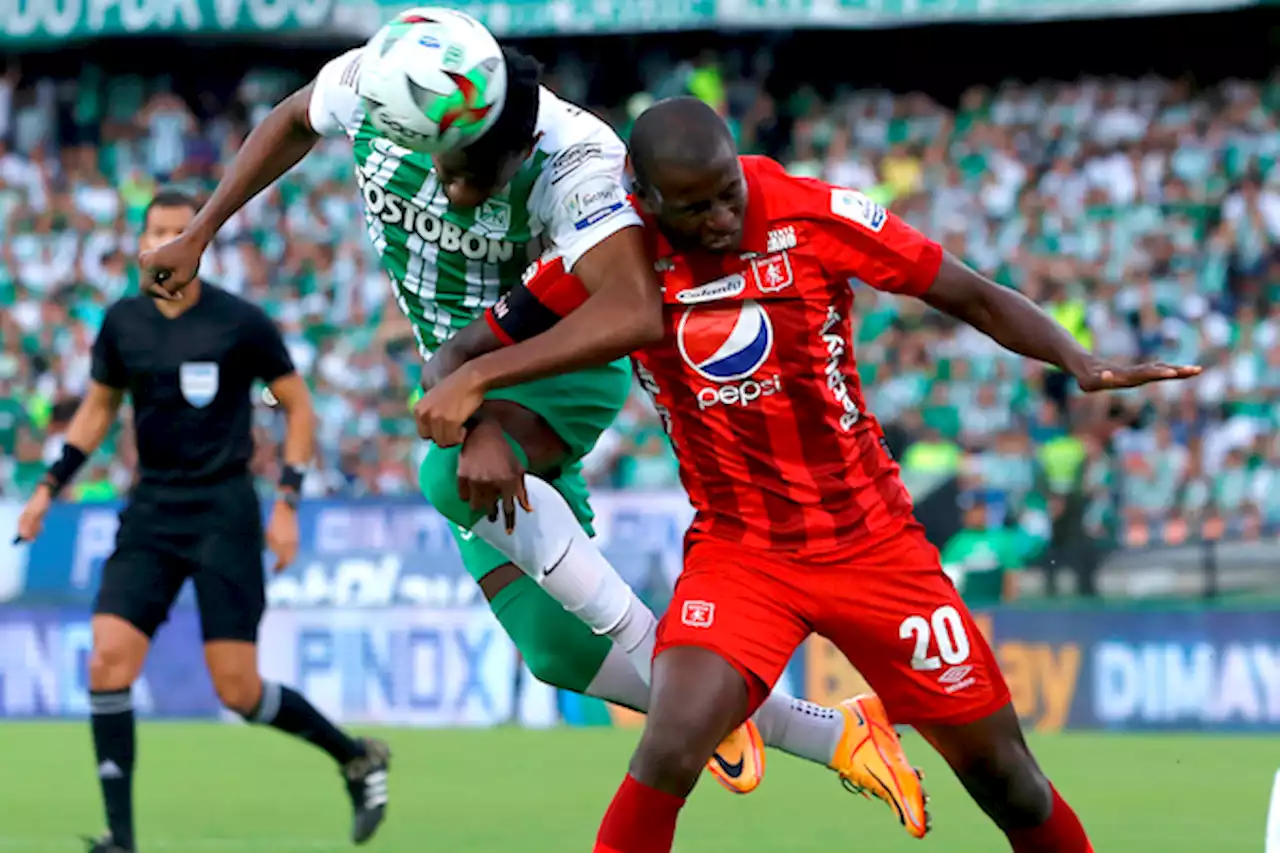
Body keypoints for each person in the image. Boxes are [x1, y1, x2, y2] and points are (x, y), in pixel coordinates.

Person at [134, 17, 913, 802]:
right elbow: (294, 117)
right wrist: (202, 229)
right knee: (556, 651)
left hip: (557, 360)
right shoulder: (384, 84)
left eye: (479, 177)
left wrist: (478, 393)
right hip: (458, 373)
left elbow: (634, 311)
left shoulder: (577, 159)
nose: (459, 192)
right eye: (453, 170)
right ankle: (834, 731)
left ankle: (677, 662)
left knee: (444, 473)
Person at [413, 97, 1203, 852]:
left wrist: (1078, 360)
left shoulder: (812, 213)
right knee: (670, 746)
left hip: (874, 544)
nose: (723, 218)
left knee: (1009, 782)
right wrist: (477, 419)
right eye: (696, 209)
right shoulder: (616, 257)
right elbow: (459, 353)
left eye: (729, 194)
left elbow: (965, 291)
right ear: (642, 198)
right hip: (743, 552)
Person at [15, 191, 391, 853]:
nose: (163, 243)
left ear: (197, 244)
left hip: (224, 513)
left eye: (175, 232)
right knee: (107, 660)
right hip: (153, 509)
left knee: (240, 689)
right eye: (154, 231)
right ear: (140, 243)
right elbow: (98, 411)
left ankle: (355, 755)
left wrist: (288, 501)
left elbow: (297, 409)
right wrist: (49, 486)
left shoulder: (240, 324)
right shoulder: (123, 323)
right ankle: (121, 837)